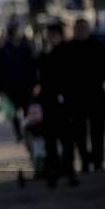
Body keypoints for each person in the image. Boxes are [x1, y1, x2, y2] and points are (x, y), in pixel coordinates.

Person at [69, 18, 105, 171]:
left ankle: (98, 160)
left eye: (84, 28)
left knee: (98, 130)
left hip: (96, 93)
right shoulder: (69, 49)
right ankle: (84, 159)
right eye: (78, 28)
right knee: (80, 132)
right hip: (77, 96)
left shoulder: (98, 46)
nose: (81, 31)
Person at [36, 22, 79, 187]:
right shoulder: (44, 55)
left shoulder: (68, 53)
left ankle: (69, 169)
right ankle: (53, 170)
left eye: (54, 35)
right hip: (49, 105)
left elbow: (73, 79)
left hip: (66, 105)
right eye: (49, 35)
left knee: (68, 141)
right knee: (50, 141)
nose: (51, 39)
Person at [0, 21, 36, 141]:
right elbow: (0, 69)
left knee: (27, 110)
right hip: (11, 87)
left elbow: (32, 66)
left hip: (25, 86)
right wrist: (1, 87)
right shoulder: (4, 50)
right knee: (13, 113)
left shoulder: (25, 47)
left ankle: (28, 132)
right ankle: (19, 134)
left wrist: (34, 83)